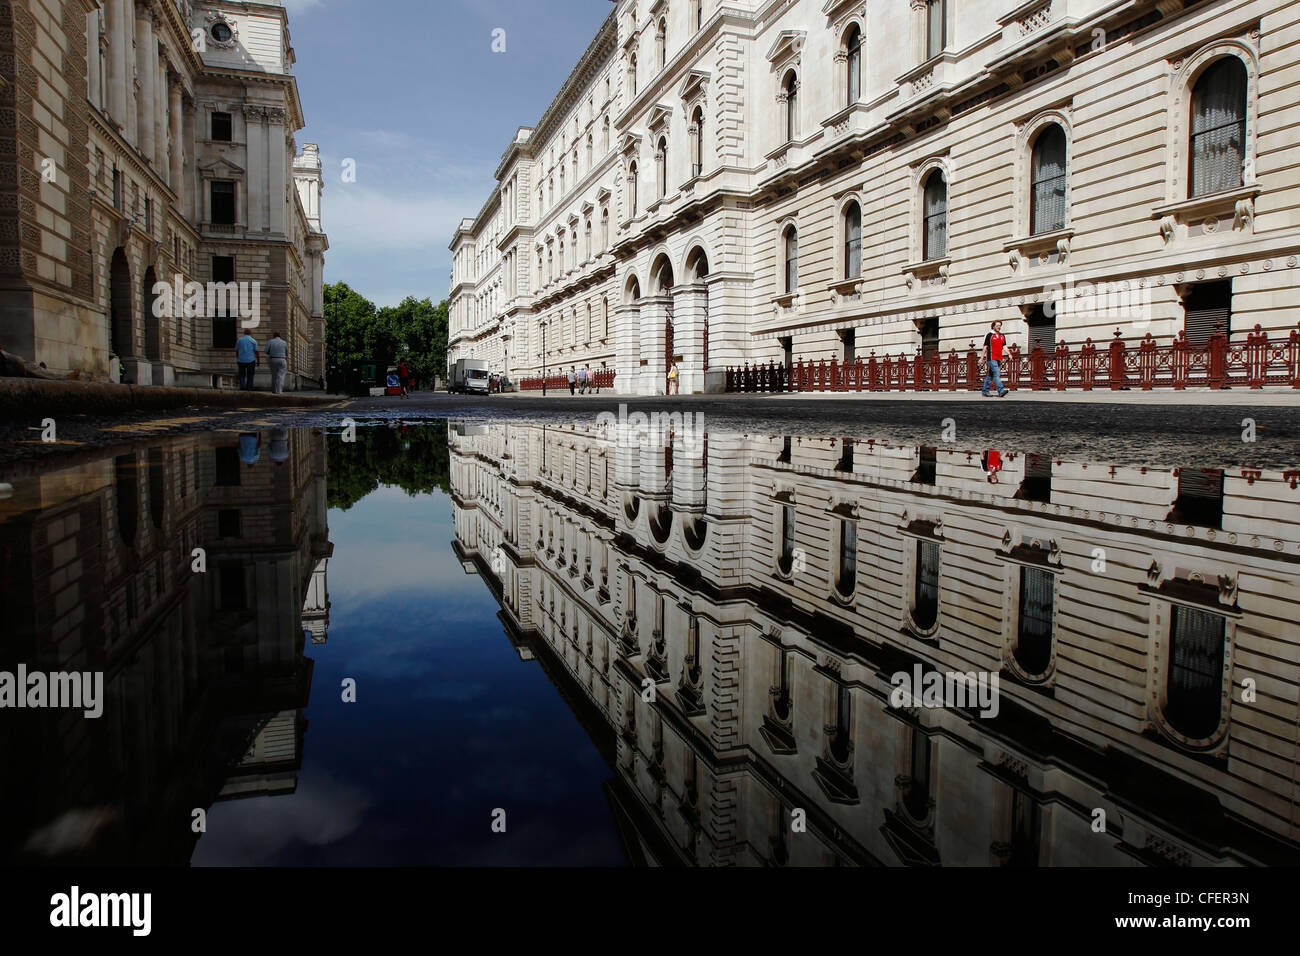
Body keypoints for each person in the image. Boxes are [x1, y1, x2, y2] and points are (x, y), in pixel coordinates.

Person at [981, 321, 1009, 398]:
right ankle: (1001, 390)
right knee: (997, 374)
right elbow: (985, 347)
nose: (999, 327)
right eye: (997, 325)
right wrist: (982, 357)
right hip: (991, 357)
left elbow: (1004, 346)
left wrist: (1009, 354)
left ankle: (985, 391)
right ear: (993, 326)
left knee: (990, 375)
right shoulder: (989, 335)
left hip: (998, 358)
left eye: (1000, 325)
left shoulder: (1002, 335)